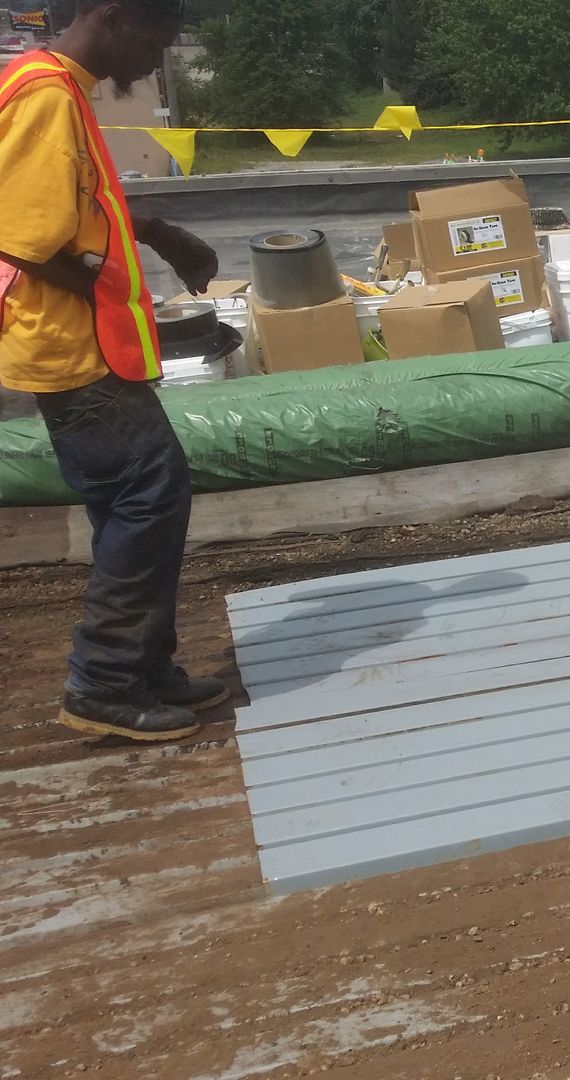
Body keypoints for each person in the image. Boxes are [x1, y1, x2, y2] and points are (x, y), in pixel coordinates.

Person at [0, 0, 226, 743]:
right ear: (115, 18)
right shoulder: (46, 94)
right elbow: (28, 239)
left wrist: (155, 232)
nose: (153, 63)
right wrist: (106, 287)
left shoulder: (59, 87)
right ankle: (102, 681)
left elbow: (74, 211)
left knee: (134, 502)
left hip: (84, 344)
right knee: (149, 493)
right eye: (155, 44)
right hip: (72, 349)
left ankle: (144, 670)